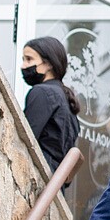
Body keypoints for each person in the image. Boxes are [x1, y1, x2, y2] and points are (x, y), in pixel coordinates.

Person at [20, 36, 80, 171]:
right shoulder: (66, 99)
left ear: (49, 64)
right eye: (23, 59)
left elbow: (26, 139)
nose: (23, 65)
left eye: (29, 59)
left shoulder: (42, 92)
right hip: (55, 181)